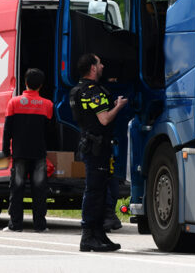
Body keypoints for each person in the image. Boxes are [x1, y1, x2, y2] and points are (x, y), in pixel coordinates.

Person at [70, 53, 128, 252]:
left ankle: (98, 233)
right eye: (99, 63)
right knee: (94, 191)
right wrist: (118, 107)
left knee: (99, 190)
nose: (102, 65)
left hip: (91, 144)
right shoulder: (94, 92)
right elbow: (104, 119)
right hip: (97, 148)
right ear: (93, 68)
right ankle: (88, 235)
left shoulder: (78, 90)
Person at [2, 68, 53, 232]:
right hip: (38, 154)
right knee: (39, 190)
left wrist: (5, 149)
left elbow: (7, 129)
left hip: (19, 153)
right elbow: (49, 132)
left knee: (17, 189)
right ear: (41, 86)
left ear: (25, 83)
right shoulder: (47, 105)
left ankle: (15, 225)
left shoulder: (14, 103)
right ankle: (40, 226)